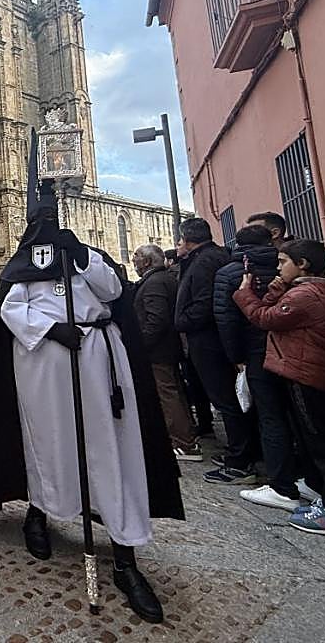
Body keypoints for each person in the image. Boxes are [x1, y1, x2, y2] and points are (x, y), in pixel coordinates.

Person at [0, 170, 184, 625]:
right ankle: (38, 513)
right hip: (43, 367)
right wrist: (51, 328)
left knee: (111, 450)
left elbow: (113, 291)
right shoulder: (21, 267)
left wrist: (80, 256)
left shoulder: (88, 258)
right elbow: (10, 309)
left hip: (98, 365)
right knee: (47, 444)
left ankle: (125, 556)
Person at [233, 239, 325, 539]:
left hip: (308, 374)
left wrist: (243, 293)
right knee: (316, 440)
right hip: (308, 372)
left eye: (282, 262)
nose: (278, 268)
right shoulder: (314, 290)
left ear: (302, 264)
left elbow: (264, 318)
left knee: (324, 444)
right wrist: (276, 291)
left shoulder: (305, 295)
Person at [213, 223, 310, 507]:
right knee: (300, 417)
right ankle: (309, 478)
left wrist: (235, 357)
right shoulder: (290, 267)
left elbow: (226, 319)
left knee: (270, 417)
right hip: (294, 351)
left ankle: (282, 486)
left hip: (256, 352)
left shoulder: (232, 273)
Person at [174, 217, 259, 484]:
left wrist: (182, 321)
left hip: (209, 339)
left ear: (189, 240)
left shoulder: (204, 261)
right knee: (229, 399)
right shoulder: (214, 256)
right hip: (216, 337)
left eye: (180, 240)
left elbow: (206, 302)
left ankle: (240, 461)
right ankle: (241, 452)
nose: (177, 245)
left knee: (226, 400)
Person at [132, 243, 199, 461]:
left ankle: (184, 443)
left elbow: (156, 320)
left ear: (147, 262)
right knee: (174, 392)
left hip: (158, 351)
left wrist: (141, 345)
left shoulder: (154, 282)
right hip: (166, 348)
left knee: (167, 394)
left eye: (136, 256)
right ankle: (186, 435)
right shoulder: (163, 279)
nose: (133, 261)